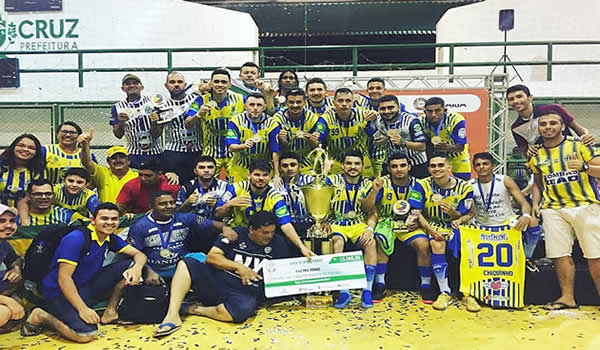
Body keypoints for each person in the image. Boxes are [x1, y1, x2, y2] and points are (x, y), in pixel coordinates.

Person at [20, 202, 147, 342]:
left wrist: (137, 268)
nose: (110, 223)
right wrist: (82, 309)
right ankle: (42, 315)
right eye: (104, 218)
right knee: (86, 335)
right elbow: (64, 278)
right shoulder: (76, 239)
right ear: (93, 220)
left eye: (114, 219)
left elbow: (140, 255)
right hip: (58, 291)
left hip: (85, 284)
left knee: (128, 264)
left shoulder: (110, 238)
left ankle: (110, 312)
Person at [153, 211, 293, 337]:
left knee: (241, 312)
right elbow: (212, 257)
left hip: (244, 293)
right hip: (216, 281)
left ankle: (191, 309)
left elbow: (282, 272)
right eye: (265, 232)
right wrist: (238, 267)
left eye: (272, 232)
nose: (270, 236)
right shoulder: (235, 235)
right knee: (186, 263)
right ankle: (172, 316)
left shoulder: (278, 243)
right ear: (251, 230)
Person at [528, 112, 600, 310]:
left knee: (595, 255)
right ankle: (567, 298)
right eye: (543, 124)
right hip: (553, 209)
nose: (548, 127)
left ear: (562, 127)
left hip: (584, 205)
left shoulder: (579, 145)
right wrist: (536, 203)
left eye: (553, 123)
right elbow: (537, 182)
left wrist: (584, 167)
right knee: (559, 254)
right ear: (539, 128)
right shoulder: (536, 155)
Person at [363, 153, 434, 304]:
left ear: (409, 167)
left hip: (410, 225)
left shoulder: (419, 184)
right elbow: (367, 208)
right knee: (380, 240)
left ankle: (426, 285)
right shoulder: (382, 183)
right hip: (387, 223)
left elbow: (423, 209)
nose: (399, 169)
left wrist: (418, 222)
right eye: (394, 166)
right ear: (389, 169)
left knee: (423, 245)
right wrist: (374, 191)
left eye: (402, 165)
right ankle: (380, 284)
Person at [408, 153, 474, 310]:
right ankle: (445, 292)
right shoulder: (421, 185)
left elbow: (466, 214)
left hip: (457, 224)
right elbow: (417, 212)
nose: (436, 169)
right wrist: (431, 231)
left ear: (449, 167)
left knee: (469, 246)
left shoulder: (465, 187)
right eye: (433, 166)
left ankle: (468, 293)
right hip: (432, 224)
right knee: (436, 244)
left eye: (440, 165)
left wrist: (453, 213)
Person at [215, 160, 314, 258]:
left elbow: (286, 224)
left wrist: (302, 247)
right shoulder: (235, 189)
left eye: (265, 175)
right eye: (257, 175)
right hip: (240, 232)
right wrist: (228, 205)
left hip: (264, 236)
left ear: (270, 178)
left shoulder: (275, 197)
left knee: (285, 244)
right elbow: (217, 214)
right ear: (249, 175)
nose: (261, 178)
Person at [128, 191, 234, 283]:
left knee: (207, 259)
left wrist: (226, 228)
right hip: (154, 268)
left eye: (172, 203)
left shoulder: (186, 218)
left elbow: (217, 224)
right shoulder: (139, 226)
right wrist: (147, 271)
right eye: (163, 204)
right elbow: (133, 255)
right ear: (152, 207)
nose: (169, 206)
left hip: (181, 264)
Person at [322, 151, 377, 309]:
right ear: (343, 165)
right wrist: (325, 170)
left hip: (358, 223)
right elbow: (317, 193)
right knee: (337, 243)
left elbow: (372, 211)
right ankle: (343, 290)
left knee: (371, 243)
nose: (353, 167)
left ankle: (367, 289)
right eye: (349, 163)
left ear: (362, 166)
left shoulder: (368, 183)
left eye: (356, 164)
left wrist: (370, 229)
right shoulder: (332, 180)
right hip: (337, 223)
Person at [184, 68, 245, 176]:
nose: (220, 85)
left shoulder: (240, 99)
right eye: (216, 81)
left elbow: (259, 109)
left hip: (234, 152)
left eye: (224, 82)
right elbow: (187, 124)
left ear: (230, 84)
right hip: (210, 152)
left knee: (237, 186)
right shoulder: (200, 100)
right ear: (211, 84)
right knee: (207, 185)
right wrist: (198, 115)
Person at [507, 84, 594, 157]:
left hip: (571, 156)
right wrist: (529, 152)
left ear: (530, 97)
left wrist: (586, 136)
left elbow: (578, 128)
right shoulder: (515, 128)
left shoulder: (554, 108)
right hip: (547, 164)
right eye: (511, 99)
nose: (516, 101)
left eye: (519, 96)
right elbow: (525, 153)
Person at [315, 88, 373, 176]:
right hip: (336, 162)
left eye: (348, 100)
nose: (344, 104)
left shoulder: (365, 115)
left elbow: (375, 137)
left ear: (353, 102)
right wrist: (313, 139)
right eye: (340, 101)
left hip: (361, 161)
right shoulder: (325, 119)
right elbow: (318, 141)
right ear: (334, 103)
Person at [367, 94, 429, 178]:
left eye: (390, 107)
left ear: (399, 107)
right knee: (386, 188)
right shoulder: (377, 120)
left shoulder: (411, 121)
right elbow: (374, 140)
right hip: (391, 163)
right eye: (383, 108)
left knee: (418, 190)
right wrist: (379, 141)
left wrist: (403, 142)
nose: (387, 111)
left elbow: (423, 147)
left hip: (416, 163)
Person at [226, 94, 282, 183]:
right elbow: (231, 147)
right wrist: (243, 146)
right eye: (251, 105)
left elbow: (275, 151)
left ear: (264, 107)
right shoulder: (235, 121)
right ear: (245, 106)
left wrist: (276, 175)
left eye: (259, 105)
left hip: (263, 169)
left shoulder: (272, 123)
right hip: (240, 167)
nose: (255, 108)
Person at [110, 74, 163, 169]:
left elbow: (157, 134)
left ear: (141, 87)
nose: (131, 86)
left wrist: (155, 121)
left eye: (135, 83)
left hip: (155, 153)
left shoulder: (153, 102)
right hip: (132, 154)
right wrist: (121, 122)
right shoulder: (117, 107)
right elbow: (118, 135)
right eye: (127, 84)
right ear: (123, 88)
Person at [161, 71, 202, 183]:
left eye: (180, 82)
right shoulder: (162, 104)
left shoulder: (197, 99)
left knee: (198, 185)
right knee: (174, 185)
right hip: (174, 152)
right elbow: (157, 132)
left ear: (185, 84)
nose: (176, 85)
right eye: (172, 82)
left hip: (197, 150)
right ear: (166, 85)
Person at [78, 131, 138, 203]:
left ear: (128, 160)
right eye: (114, 158)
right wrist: (85, 145)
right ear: (108, 161)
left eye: (122, 157)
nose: (118, 160)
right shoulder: (102, 173)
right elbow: (86, 163)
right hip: (105, 213)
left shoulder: (137, 176)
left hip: (129, 214)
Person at [421, 97, 471, 180]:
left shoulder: (456, 119)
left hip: (457, 156)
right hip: (434, 158)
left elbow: (460, 147)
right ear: (425, 112)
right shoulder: (420, 121)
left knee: (464, 183)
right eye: (430, 111)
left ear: (444, 110)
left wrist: (446, 147)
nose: (433, 114)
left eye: (437, 110)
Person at [273, 88, 321, 170]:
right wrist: (282, 140)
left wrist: (313, 141)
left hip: (307, 164)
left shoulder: (312, 118)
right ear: (286, 103)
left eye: (298, 102)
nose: (295, 105)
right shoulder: (277, 119)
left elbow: (317, 148)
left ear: (305, 103)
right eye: (291, 102)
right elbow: (276, 149)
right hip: (285, 164)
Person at [116, 159, 180, 215]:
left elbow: (179, 209)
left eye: (148, 176)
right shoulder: (131, 185)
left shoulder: (171, 185)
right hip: (138, 218)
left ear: (160, 174)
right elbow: (119, 208)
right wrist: (125, 215)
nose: (143, 178)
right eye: (140, 175)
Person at [176, 156, 229, 220]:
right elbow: (177, 213)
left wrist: (217, 205)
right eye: (202, 167)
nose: (206, 170)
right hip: (192, 225)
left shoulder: (225, 186)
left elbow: (230, 212)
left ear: (215, 169)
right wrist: (187, 203)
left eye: (210, 167)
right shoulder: (186, 187)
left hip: (218, 225)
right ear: (195, 171)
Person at [0, 134, 45, 208]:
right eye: (21, 145)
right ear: (13, 147)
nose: (25, 149)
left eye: (31, 148)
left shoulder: (37, 172)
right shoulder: (2, 167)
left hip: (26, 214)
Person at [277, 152, 315, 238]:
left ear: (300, 167)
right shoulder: (275, 185)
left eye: (293, 165)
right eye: (285, 166)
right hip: (285, 226)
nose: (289, 168)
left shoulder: (311, 181)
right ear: (279, 168)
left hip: (309, 224)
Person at [0, 204, 24, 331]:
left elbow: (16, 259)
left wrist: (16, 269)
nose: (8, 225)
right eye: (2, 221)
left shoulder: (3, 244)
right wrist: (8, 301)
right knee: (4, 312)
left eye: (12, 221)